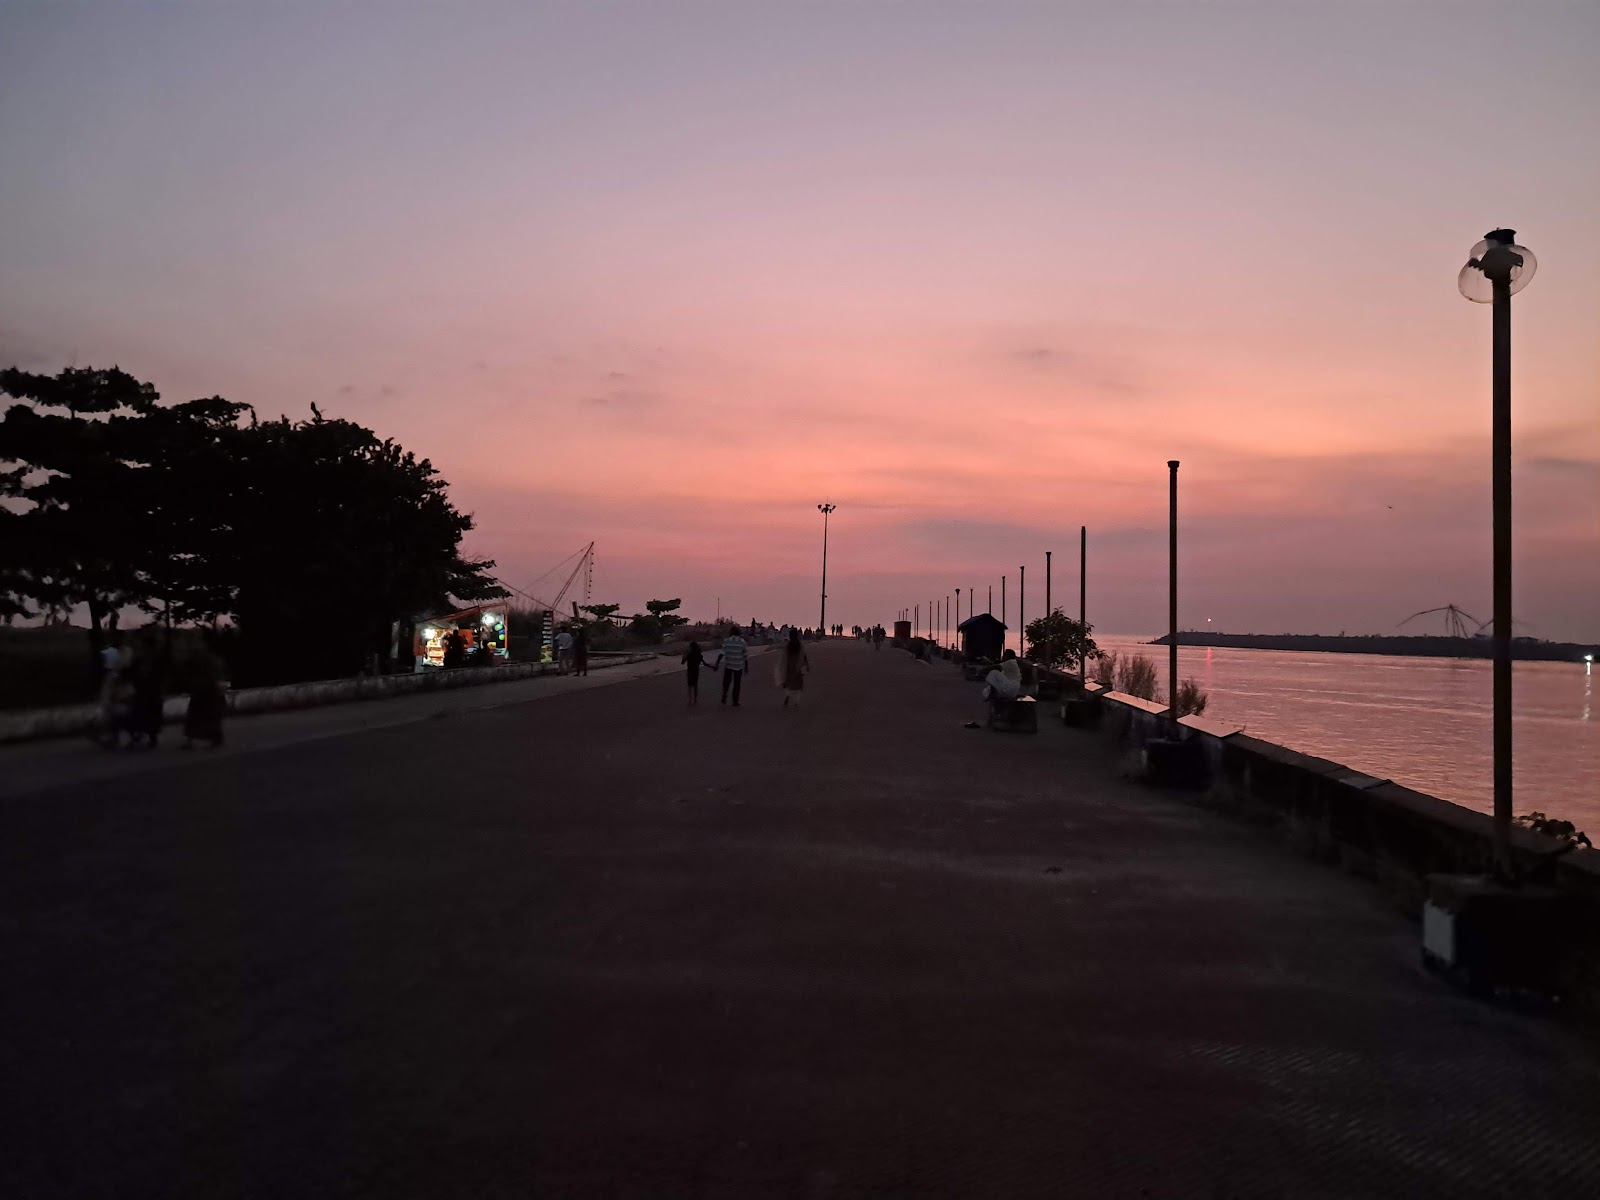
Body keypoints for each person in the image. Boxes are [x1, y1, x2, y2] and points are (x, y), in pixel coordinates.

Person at [183, 644, 227, 749]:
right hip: (205, 691)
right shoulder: (213, 661)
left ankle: (194, 740)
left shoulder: (207, 662)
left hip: (206, 691)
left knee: (201, 717)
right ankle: (213, 739)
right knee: (205, 717)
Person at [716, 625, 749, 707]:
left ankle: (725, 693)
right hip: (738, 665)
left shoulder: (726, 641)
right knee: (737, 684)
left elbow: (721, 653)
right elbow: (745, 656)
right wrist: (746, 667)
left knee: (726, 681)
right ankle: (735, 701)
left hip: (728, 664)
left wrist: (717, 663)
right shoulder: (743, 642)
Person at [777, 627, 809, 708]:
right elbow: (804, 656)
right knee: (798, 685)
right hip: (798, 668)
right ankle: (796, 702)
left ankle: (787, 696)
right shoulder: (800, 645)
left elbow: (783, 658)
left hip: (789, 668)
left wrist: (782, 668)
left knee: (789, 684)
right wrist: (806, 665)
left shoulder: (787, 645)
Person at [682, 640, 711, 704]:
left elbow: (682, 663)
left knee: (690, 685)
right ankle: (695, 698)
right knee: (695, 685)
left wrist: (684, 655)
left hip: (690, 671)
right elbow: (705, 663)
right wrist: (712, 667)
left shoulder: (689, 655)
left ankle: (690, 699)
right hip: (696, 672)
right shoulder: (699, 655)